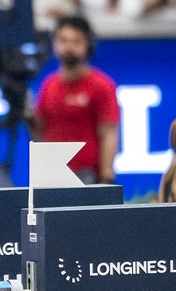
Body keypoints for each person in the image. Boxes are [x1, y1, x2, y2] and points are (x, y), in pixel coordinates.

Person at [28, 16, 119, 184]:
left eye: (76, 41)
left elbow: (108, 134)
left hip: (86, 176)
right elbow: (39, 132)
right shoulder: (49, 85)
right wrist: (27, 115)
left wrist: (106, 177)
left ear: (88, 46)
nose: (68, 47)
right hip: (51, 173)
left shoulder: (101, 86)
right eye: (63, 40)